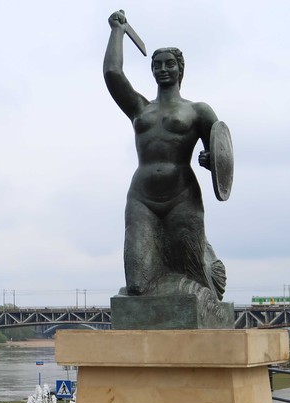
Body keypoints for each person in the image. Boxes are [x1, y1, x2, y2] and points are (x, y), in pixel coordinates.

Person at [104, 10, 227, 307]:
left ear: (180, 69)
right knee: (136, 286)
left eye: (169, 64)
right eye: (157, 65)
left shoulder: (198, 111)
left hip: (182, 198)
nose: (163, 69)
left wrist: (211, 160)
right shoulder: (140, 109)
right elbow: (113, 74)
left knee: (198, 280)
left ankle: (209, 266)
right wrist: (117, 31)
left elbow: (222, 155)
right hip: (142, 200)